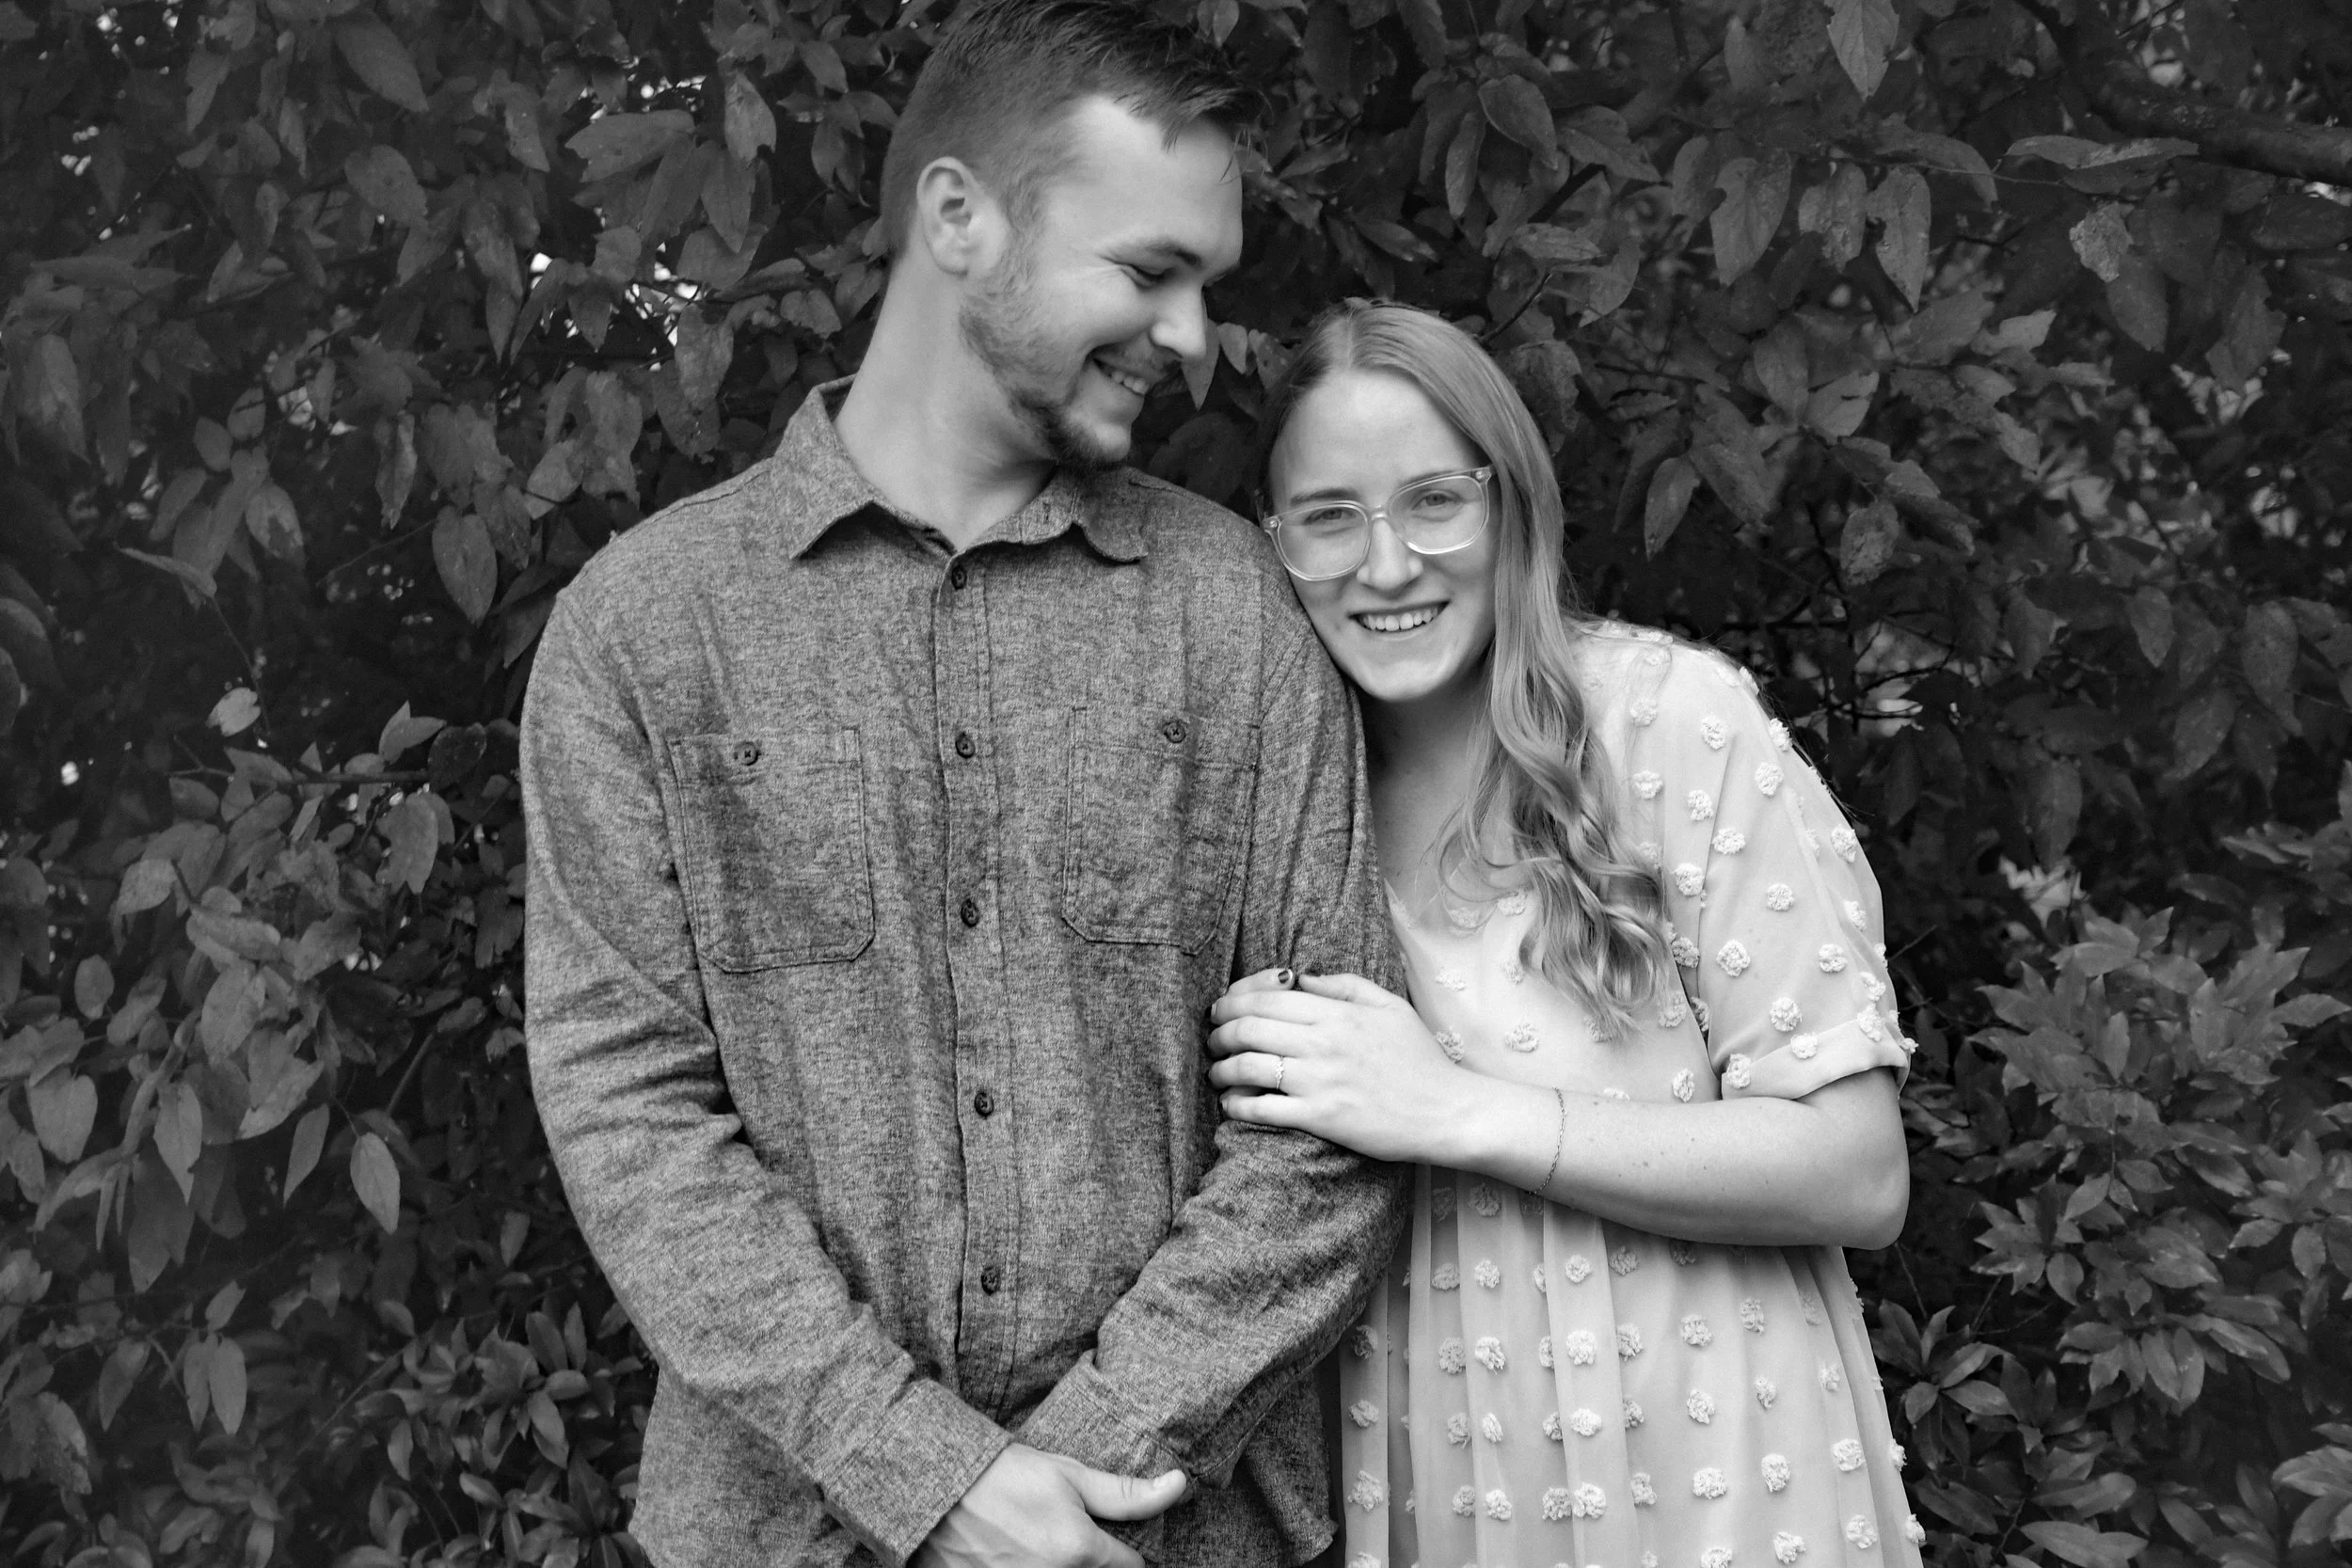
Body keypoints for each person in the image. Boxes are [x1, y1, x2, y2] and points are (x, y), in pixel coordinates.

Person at [519, 5, 1407, 1566]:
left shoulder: (1236, 610)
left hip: (1174, 1538)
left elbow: (1332, 1124)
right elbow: (629, 1111)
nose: (1194, 336)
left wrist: (1071, 1481)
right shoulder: (645, 630)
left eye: (1207, 284)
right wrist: (928, 1478)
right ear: (956, 217)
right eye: (1151, 270)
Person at [1204, 301, 1928, 1568]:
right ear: (1273, 541)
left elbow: (1858, 1173)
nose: (1388, 565)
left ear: (1513, 505)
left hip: (1714, 1461)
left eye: (1436, 501)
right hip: (1437, 1473)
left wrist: (1459, 1110)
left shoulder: (1668, 721)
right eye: (1331, 517)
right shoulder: (1277, 796)